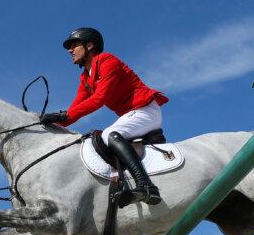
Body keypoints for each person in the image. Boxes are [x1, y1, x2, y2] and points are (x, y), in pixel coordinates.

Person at [40, 27, 169, 206]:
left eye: (75, 45)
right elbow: (75, 108)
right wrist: (53, 125)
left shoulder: (107, 60)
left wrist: (63, 116)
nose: (70, 51)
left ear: (90, 45)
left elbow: (99, 99)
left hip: (146, 110)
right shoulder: (85, 78)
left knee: (109, 134)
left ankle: (146, 186)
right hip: (133, 114)